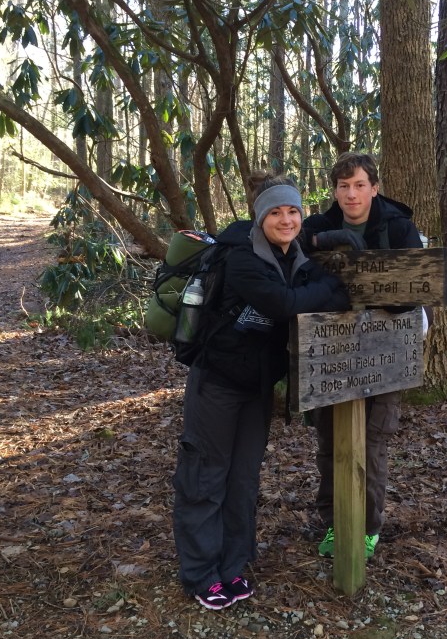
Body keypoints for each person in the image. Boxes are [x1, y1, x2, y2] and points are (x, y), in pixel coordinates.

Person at [172, 174, 350, 610]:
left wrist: (320, 288)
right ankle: (201, 574)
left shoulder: (295, 256)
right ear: (259, 217)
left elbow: (317, 294)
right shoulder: (242, 258)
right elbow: (284, 304)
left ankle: (233, 566)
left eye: (293, 211)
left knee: (243, 478)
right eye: (275, 212)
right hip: (217, 382)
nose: (286, 220)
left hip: (257, 386)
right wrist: (327, 288)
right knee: (206, 475)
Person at [302, 152, 425, 561]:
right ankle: (335, 524)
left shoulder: (397, 226)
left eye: (359, 185)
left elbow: (413, 292)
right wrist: (323, 242)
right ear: (335, 190)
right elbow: (286, 246)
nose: (351, 194)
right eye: (343, 186)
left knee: (372, 444)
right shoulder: (320, 224)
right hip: (331, 355)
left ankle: (367, 528)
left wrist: (366, 284)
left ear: (374, 188)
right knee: (329, 442)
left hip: (384, 355)